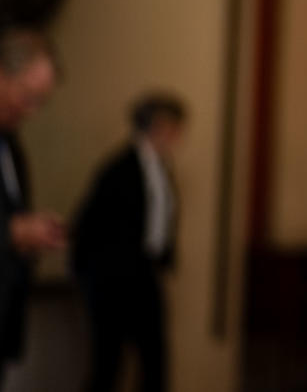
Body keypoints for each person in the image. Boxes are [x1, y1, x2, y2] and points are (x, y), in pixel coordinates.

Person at [72, 92, 186, 392]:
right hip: (113, 278)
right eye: (174, 127)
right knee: (108, 364)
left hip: (144, 273)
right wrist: (92, 279)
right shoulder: (120, 168)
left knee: (155, 360)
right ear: (157, 126)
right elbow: (87, 225)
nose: (178, 136)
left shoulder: (160, 167)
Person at [0, 29, 64, 389]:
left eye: (41, 101)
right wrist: (11, 231)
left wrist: (28, 232)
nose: (32, 111)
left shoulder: (11, 143)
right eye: (27, 97)